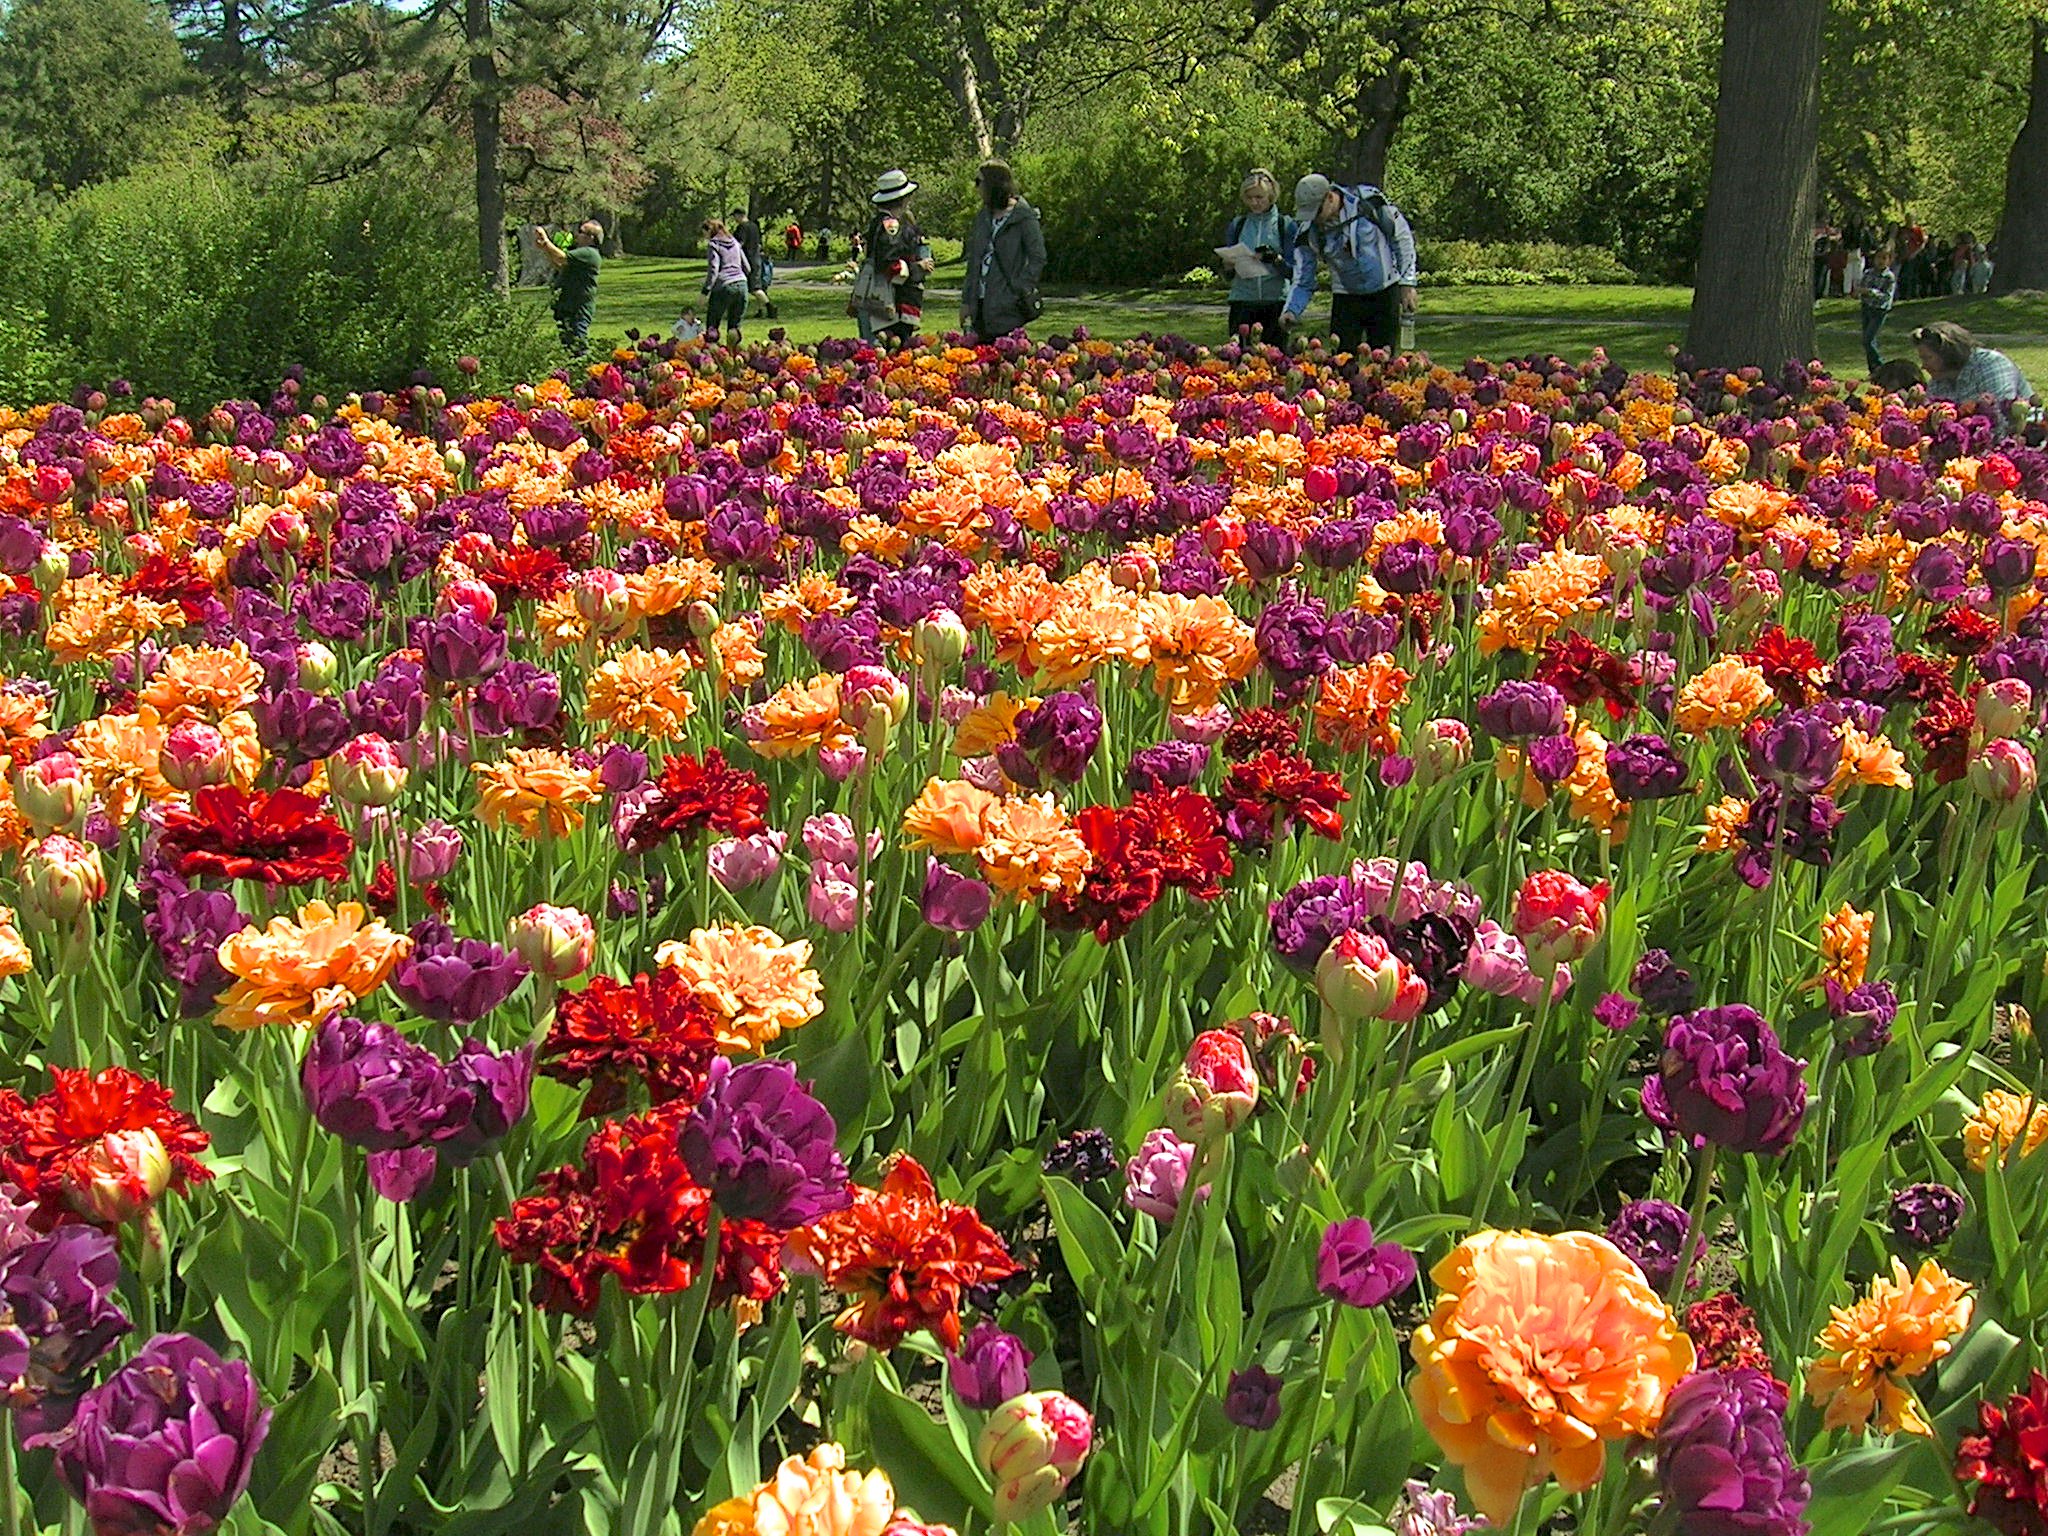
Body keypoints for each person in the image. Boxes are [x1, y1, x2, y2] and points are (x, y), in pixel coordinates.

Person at [1280, 174, 1417, 358]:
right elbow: (1303, 279)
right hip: (1346, 299)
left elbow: (1401, 238)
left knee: (1384, 365)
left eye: (1317, 211)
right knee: (1341, 364)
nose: (1314, 219)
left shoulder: (1370, 203)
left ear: (1330, 197)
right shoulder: (1307, 234)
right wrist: (1292, 310)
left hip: (1384, 293)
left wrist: (1407, 282)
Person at [959, 160, 1047, 342]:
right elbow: (974, 261)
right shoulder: (983, 216)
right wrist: (966, 302)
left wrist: (1019, 287)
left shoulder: (1023, 216)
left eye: (979, 181)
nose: (976, 187)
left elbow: (1038, 257)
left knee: (1006, 360)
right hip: (980, 304)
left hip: (1008, 306)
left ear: (993, 184)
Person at [1219, 168, 1297, 343]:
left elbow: (1293, 271)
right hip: (1243, 301)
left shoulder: (1285, 225)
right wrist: (1228, 265)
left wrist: (1275, 259)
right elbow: (1228, 274)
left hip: (1275, 302)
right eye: (1249, 198)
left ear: (1271, 196)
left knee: (1275, 361)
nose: (1254, 203)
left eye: (1259, 197)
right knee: (1240, 360)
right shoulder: (1238, 225)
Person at [861, 169, 931, 346]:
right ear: (903, 199)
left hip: (879, 300)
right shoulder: (890, 225)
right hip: (893, 303)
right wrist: (917, 267)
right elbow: (889, 264)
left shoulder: (877, 223)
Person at [1913, 321, 2034, 407]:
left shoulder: (1990, 364)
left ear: (1948, 353)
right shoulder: (1938, 381)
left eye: (1927, 358)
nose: (1923, 366)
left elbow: (2002, 415)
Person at [533, 220, 604, 354]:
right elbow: (559, 265)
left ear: (591, 238)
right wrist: (545, 248)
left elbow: (562, 257)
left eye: (581, 232)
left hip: (578, 310)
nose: (577, 234)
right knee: (569, 348)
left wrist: (546, 240)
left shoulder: (589, 253)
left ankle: (588, 372)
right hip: (567, 308)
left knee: (579, 348)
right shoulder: (581, 254)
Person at [701, 218, 751, 344]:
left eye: (704, 233)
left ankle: (711, 356)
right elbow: (747, 268)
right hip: (742, 284)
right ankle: (734, 356)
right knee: (734, 327)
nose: (704, 236)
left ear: (709, 231)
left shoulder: (714, 245)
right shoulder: (735, 242)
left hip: (724, 286)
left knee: (713, 325)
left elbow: (714, 270)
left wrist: (705, 292)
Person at [1858, 246, 1897, 376]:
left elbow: (1886, 296)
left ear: (1889, 260)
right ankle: (1873, 369)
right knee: (1868, 340)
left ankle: (1880, 365)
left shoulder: (1889, 277)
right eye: (1878, 257)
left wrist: (1871, 292)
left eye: (1884, 258)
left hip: (1879, 310)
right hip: (1867, 308)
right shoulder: (1868, 273)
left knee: (1868, 340)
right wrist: (1860, 292)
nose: (1881, 261)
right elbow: (1861, 288)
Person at [731, 209, 774, 320]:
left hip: (748, 260)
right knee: (757, 286)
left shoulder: (742, 228)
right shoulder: (754, 226)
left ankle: (770, 307)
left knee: (754, 288)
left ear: (739, 215)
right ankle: (760, 310)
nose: (734, 219)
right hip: (756, 258)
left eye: (735, 216)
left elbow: (739, 244)